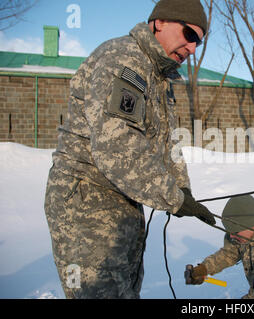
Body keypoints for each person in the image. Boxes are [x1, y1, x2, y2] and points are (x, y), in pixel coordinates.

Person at [44, 0, 216, 299]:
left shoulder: (159, 77)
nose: (192, 48)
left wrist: (182, 191)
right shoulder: (124, 59)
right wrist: (172, 197)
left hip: (123, 200)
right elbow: (117, 144)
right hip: (88, 201)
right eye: (189, 34)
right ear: (159, 22)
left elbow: (167, 144)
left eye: (198, 41)